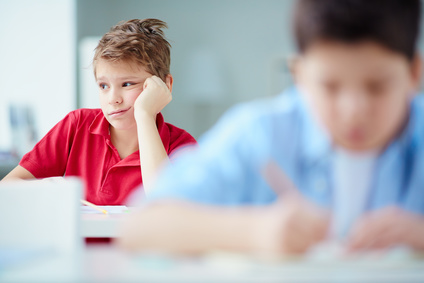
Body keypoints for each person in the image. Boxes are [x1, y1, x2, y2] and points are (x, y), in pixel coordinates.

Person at [118, 0, 424, 255]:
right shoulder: (260, 135)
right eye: (331, 87)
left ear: (414, 74)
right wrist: (255, 231)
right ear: (299, 75)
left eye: (377, 87)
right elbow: (139, 228)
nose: (353, 110)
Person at [2, 19, 196, 205]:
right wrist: (44, 187)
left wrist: (144, 116)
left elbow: (165, 205)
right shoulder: (77, 125)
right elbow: (7, 187)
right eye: (103, 86)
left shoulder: (182, 147)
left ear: (165, 85)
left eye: (127, 84)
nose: (113, 98)